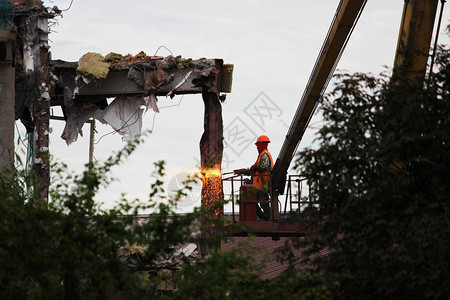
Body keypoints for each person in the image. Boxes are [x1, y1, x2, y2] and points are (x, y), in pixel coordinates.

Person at [250, 135, 274, 220]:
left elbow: (263, 166)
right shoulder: (262, 155)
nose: (257, 148)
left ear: (262, 144)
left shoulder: (265, 154)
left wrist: (255, 166)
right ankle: (263, 217)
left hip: (263, 184)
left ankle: (267, 218)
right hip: (258, 185)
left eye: (257, 146)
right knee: (252, 201)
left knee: (263, 202)